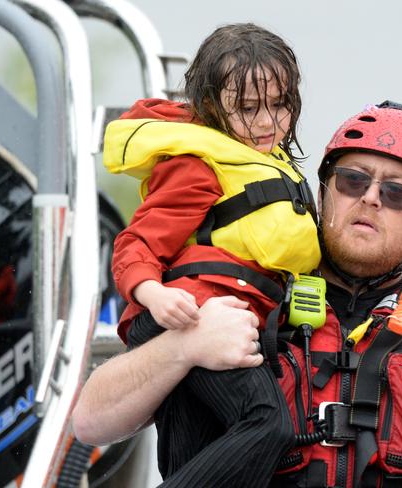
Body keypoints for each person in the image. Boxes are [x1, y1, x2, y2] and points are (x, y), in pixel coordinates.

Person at [73, 101, 402, 487]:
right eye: (353, 180)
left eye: (398, 192)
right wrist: (182, 347)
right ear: (321, 192)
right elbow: (91, 420)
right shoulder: (238, 302)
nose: (371, 198)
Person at [86, 23, 321, 487]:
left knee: (189, 463)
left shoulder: (267, 164)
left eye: (280, 104)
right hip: (186, 318)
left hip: (221, 322)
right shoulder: (198, 165)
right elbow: (136, 244)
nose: (267, 122)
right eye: (248, 108)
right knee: (268, 425)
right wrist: (154, 295)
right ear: (212, 107)